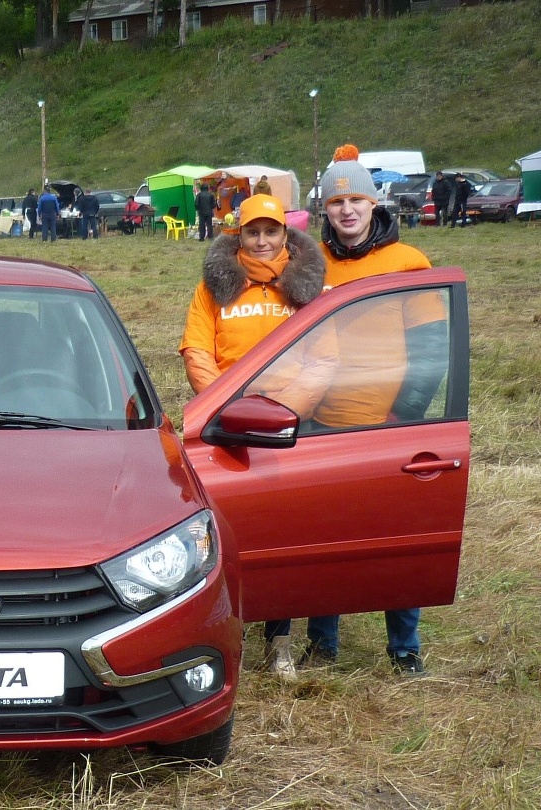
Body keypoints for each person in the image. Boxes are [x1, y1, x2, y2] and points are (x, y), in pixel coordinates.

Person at [303, 143, 447, 677]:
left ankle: (404, 649)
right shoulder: (309, 262)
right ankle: (322, 644)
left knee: (396, 543)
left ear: (374, 204)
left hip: (389, 425)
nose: (347, 211)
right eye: (337, 202)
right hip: (322, 422)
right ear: (326, 210)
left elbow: (432, 353)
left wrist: (402, 418)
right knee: (325, 542)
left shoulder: (408, 261)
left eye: (356, 201)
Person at [178, 194, 328, 682]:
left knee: (282, 532)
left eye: (271, 232)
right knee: (229, 530)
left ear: (286, 235)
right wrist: (223, 403)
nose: (262, 241)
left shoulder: (305, 287)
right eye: (252, 232)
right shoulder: (213, 287)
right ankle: (226, 630)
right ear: (237, 236)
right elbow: (196, 346)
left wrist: (286, 411)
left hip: (288, 427)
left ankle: (279, 640)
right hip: (227, 425)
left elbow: (322, 356)